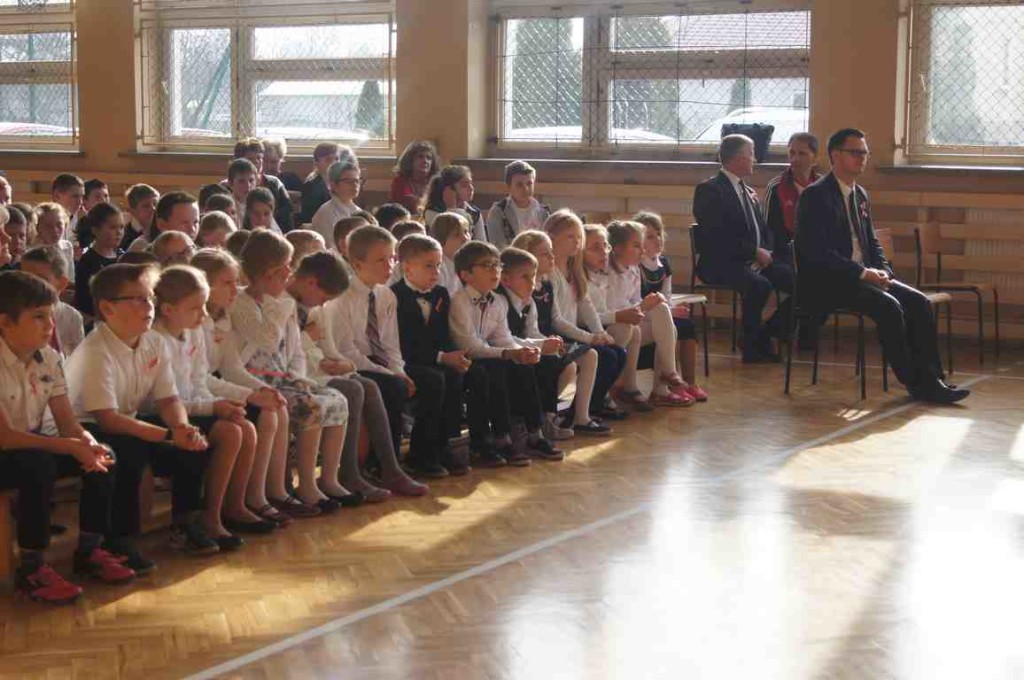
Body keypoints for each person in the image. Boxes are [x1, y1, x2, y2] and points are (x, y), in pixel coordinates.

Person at [795, 128, 969, 404]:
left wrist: (884, 271)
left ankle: (933, 379)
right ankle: (915, 382)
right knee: (889, 307)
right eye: (855, 152)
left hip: (864, 277)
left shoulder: (860, 194)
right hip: (829, 282)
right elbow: (818, 253)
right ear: (835, 156)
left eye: (865, 153)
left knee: (919, 302)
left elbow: (871, 242)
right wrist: (864, 273)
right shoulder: (815, 196)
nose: (862, 158)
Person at [66, 263, 216, 572]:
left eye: (149, 297)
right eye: (137, 299)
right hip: (83, 427)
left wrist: (182, 427)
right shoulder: (96, 349)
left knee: (192, 441)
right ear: (107, 308)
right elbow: (107, 419)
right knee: (129, 451)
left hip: (123, 420)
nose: (149, 306)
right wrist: (168, 435)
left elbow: (169, 399)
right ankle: (118, 540)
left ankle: (184, 525)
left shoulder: (153, 341)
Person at [0, 271, 133, 603]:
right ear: (5, 322)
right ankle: (32, 569)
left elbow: (68, 423)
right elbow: (5, 437)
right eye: (38, 317)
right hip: (10, 447)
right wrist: (68, 446)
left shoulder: (49, 357)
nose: (50, 325)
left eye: (52, 315)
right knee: (38, 466)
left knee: (104, 455)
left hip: (29, 445)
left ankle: (89, 551)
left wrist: (87, 442)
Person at [221, 229, 351, 516]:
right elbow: (267, 338)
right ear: (268, 272)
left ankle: (326, 480)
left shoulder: (281, 303)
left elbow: (294, 351)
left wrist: (299, 377)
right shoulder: (243, 301)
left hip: (282, 377)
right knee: (309, 405)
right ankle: (292, 488)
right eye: (285, 268)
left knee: (338, 399)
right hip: (255, 377)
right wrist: (280, 302)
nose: (290, 273)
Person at [290, 250, 422, 498]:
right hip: (303, 372)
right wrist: (311, 342)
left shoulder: (318, 306)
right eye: (323, 298)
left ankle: (390, 468)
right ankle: (348, 472)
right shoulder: (287, 306)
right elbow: (293, 351)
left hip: (320, 367)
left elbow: (329, 346)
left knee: (368, 385)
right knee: (353, 389)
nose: (322, 304)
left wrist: (346, 365)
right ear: (311, 284)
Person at [320, 225, 444, 488]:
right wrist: (391, 375)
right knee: (392, 386)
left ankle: (423, 455)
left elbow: (390, 344)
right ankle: (385, 464)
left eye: (391, 258)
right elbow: (347, 350)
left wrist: (399, 370)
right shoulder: (342, 297)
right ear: (357, 263)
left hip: (382, 364)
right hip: (352, 364)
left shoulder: (386, 295)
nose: (389, 266)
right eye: (380, 260)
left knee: (431, 381)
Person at [152, 265, 261, 550]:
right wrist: (212, 408)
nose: (203, 315)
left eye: (204, 306)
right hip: (162, 415)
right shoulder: (155, 340)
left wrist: (217, 404)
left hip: (191, 408)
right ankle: (205, 518)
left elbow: (199, 380)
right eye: (195, 308)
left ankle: (232, 507)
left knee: (245, 427)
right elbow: (162, 400)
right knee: (229, 432)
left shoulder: (194, 332)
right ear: (168, 309)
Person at [189, 248, 292, 528]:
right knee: (253, 418)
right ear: (204, 285)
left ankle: (255, 496)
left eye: (236, 281)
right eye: (227, 283)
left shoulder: (224, 317)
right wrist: (250, 396)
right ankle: (233, 505)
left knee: (275, 406)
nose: (236, 289)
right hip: (198, 393)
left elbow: (233, 368)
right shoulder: (194, 322)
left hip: (212, 387)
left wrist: (262, 391)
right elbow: (199, 377)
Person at [449, 240, 564, 465]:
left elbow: (503, 339)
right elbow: (470, 346)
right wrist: (508, 354)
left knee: (523, 366)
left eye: (497, 265)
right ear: (466, 275)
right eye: (487, 265)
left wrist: (523, 352)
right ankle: (496, 439)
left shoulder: (498, 301)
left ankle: (534, 433)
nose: (495, 270)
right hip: (461, 359)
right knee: (492, 370)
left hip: (488, 356)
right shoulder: (459, 301)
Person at [692, 134, 795, 363]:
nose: (754, 160)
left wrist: (767, 251)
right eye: (751, 154)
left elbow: (762, 229)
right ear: (739, 158)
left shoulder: (747, 191)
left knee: (796, 279)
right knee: (759, 285)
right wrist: (753, 252)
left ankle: (767, 332)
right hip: (721, 262)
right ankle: (752, 346)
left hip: (753, 260)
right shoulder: (710, 190)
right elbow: (716, 235)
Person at [498, 246, 604, 439]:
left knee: (569, 360)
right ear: (505, 279)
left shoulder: (528, 300)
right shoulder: (500, 301)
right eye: (524, 277)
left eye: (533, 276)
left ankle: (553, 417)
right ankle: (535, 422)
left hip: (525, 348)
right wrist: (541, 346)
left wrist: (547, 343)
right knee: (547, 363)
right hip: (504, 353)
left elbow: (532, 331)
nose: (532, 283)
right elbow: (503, 338)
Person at [391, 234, 473, 476]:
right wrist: (441, 358)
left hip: (433, 357)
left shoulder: (440, 294)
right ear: (407, 268)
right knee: (433, 379)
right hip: (405, 361)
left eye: (438, 265)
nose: (436, 271)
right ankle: (421, 453)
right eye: (428, 266)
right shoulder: (394, 296)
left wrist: (454, 356)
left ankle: (444, 445)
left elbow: (442, 335)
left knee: (456, 374)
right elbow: (402, 345)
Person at [543, 210, 627, 422]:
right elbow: (555, 320)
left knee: (617, 352)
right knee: (604, 356)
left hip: (573, 332)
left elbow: (586, 305)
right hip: (558, 335)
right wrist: (589, 338)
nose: (576, 242)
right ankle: (573, 411)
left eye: (578, 237)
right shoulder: (550, 273)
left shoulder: (574, 269)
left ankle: (592, 405)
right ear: (552, 237)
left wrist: (600, 332)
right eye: (570, 236)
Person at [632, 211, 708, 402]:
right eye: (650, 236)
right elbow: (634, 301)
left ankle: (689, 383)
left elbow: (666, 296)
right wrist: (669, 310)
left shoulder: (664, 263)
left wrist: (673, 308)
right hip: (644, 316)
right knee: (673, 328)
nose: (657, 239)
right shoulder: (635, 266)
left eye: (658, 233)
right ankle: (669, 381)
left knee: (687, 326)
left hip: (662, 312)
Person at [764, 132, 822, 268]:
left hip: (819, 251)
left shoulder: (823, 186)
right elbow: (768, 228)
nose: (795, 159)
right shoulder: (776, 186)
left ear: (815, 158)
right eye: (792, 153)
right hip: (784, 254)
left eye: (802, 154)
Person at [20, 246, 84, 357]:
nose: (29, 286)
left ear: (62, 283)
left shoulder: (72, 317)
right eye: (24, 279)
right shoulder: (16, 315)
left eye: (39, 280)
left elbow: (78, 360)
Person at [75, 203, 126, 321]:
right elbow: (84, 301)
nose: (119, 232)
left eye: (121, 227)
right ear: (95, 230)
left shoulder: (123, 257)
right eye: (113, 228)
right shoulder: (88, 261)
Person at [232, 137, 294, 232]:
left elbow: (286, 214)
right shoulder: (228, 186)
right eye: (250, 159)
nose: (256, 162)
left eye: (259, 158)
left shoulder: (274, 183)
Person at [485, 160, 550, 248]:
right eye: (519, 185)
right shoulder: (498, 212)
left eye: (529, 183)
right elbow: (498, 246)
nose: (526, 189)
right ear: (509, 187)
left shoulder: (543, 212)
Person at [423, 166, 486, 241]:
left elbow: (481, 242)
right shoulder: (432, 212)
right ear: (449, 189)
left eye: (471, 183)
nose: (471, 188)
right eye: (464, 185)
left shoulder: (474, 213)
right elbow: (453, 239)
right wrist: (452, 208)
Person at [301, 142, 354, 224]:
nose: (334, 163)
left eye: (336, 159)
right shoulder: (313, 186)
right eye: (328, 160)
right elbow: (310, 217)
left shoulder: (338, 182)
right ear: (317, 164)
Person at [311, 160, 362, 245]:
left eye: (357, 181)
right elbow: (331, 247)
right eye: (348, 181)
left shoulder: (358, 211)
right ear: (333, 184)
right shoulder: (326, 213)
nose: (355, 185)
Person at [129, 191, 200, 253]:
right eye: (184, 223)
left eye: (195, 222)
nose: (192, 229)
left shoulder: (198, 252)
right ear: (162, 224)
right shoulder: (142, 249)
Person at [390, 140, 440, 213]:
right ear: (410, 160)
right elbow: (407, 202)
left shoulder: (437, 182)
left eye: (429, 158)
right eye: (420, 157)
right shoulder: (401, 181)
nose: (425, 161)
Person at [430, 211, 471, 294]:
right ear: (441, 240)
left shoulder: (467, 263)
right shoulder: (439, 268)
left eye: (466, 232)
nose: (465, 238)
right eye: (456, 235)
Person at [122, 184, 159, 251]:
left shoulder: (162, 230)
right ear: (132, 211)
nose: (153, 209)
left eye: (155, 204)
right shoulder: (124, 237)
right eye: (146, 206)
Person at [51, 174, 85, 246]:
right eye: (75, 196)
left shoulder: (79, 220)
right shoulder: (43, 222)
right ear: (57, 196)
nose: (80, 202)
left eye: (82, 197)